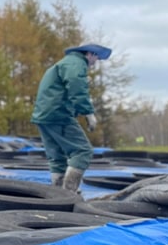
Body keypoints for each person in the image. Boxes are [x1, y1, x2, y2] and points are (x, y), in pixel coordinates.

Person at [31, 42, 112, 192]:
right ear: (90, 54)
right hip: (58, 114)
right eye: (97, 58)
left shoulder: (64, 63)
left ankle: (57, 194)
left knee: (57, 157)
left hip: (43, 116)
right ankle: (69, 191)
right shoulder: (76, 63)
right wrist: (88, 113)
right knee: (83, 151)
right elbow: (76, 86)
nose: (96, 62)